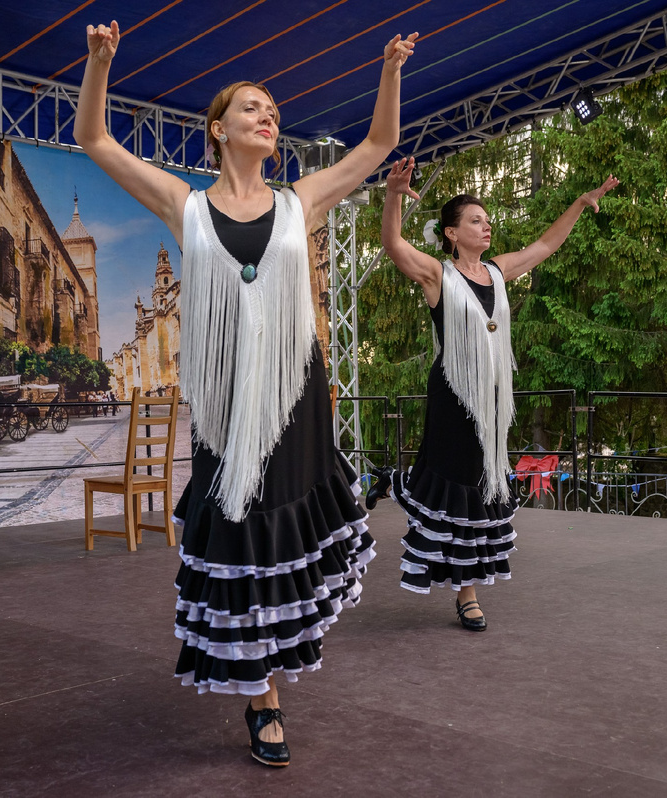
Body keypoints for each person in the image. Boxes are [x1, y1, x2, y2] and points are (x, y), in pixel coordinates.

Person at [74, 21, 417, 767]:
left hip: (296, 400)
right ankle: (262, 697)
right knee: (239, 531)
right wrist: (100, 63)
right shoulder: (186, 206)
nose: (268, 117)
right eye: (252, 108)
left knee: (284, 538)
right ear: (218, 130)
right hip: (227, 408)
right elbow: (94, 139)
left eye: (274, 112)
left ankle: (271, 680)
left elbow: (377, 143)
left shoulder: (300, 202)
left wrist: (389, 69)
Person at [366, 157, 618, 630]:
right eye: (475, 221)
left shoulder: (499, 272)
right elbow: (393, 244)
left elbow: (545, 245)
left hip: (494, 398)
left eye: (487, 220)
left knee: (479, 482)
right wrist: (394, 195)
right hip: (454, 396)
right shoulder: (438, 275)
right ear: (451, 233)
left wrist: (581, 204)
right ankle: (467, 593)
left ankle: (398, 487)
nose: (486, 227)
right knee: (456, 482)